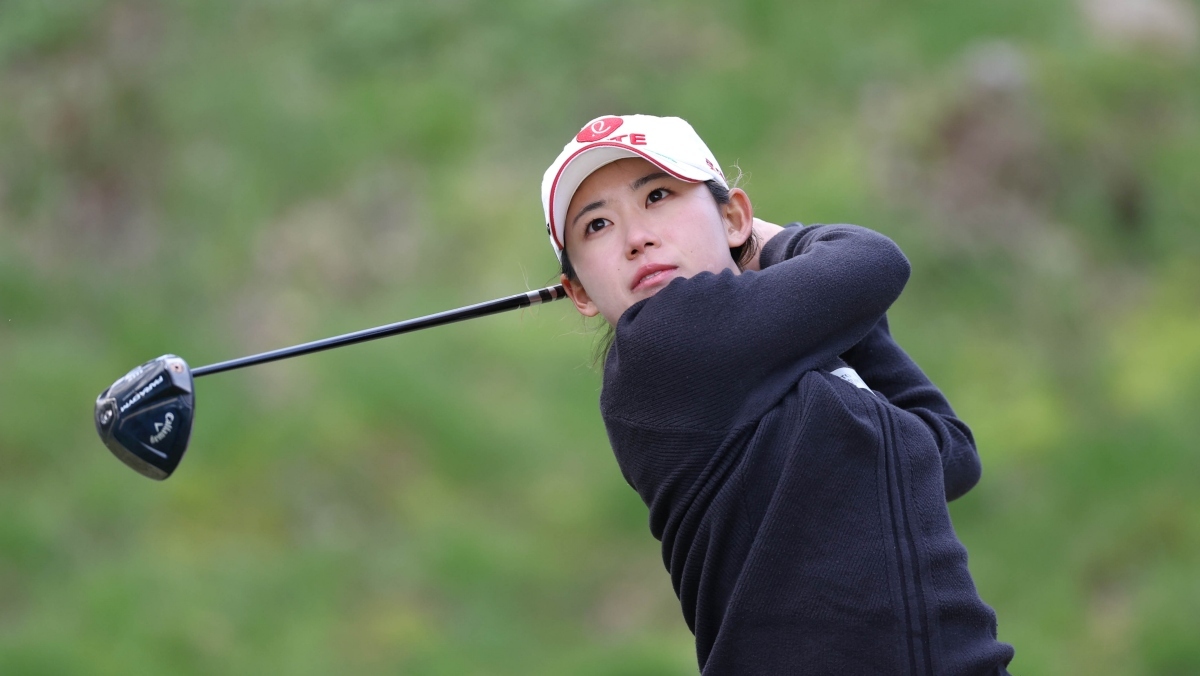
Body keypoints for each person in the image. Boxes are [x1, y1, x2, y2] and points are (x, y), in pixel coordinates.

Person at [541, 114, 1015, 675]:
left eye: (658, 196)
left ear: (732, 215)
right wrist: (779, 245)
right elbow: (875, 262)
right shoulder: (659, 348)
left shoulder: (771, 355)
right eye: (596, 226)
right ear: (579, 292)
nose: (636, 238)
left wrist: (835, 320)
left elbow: (952, 454)